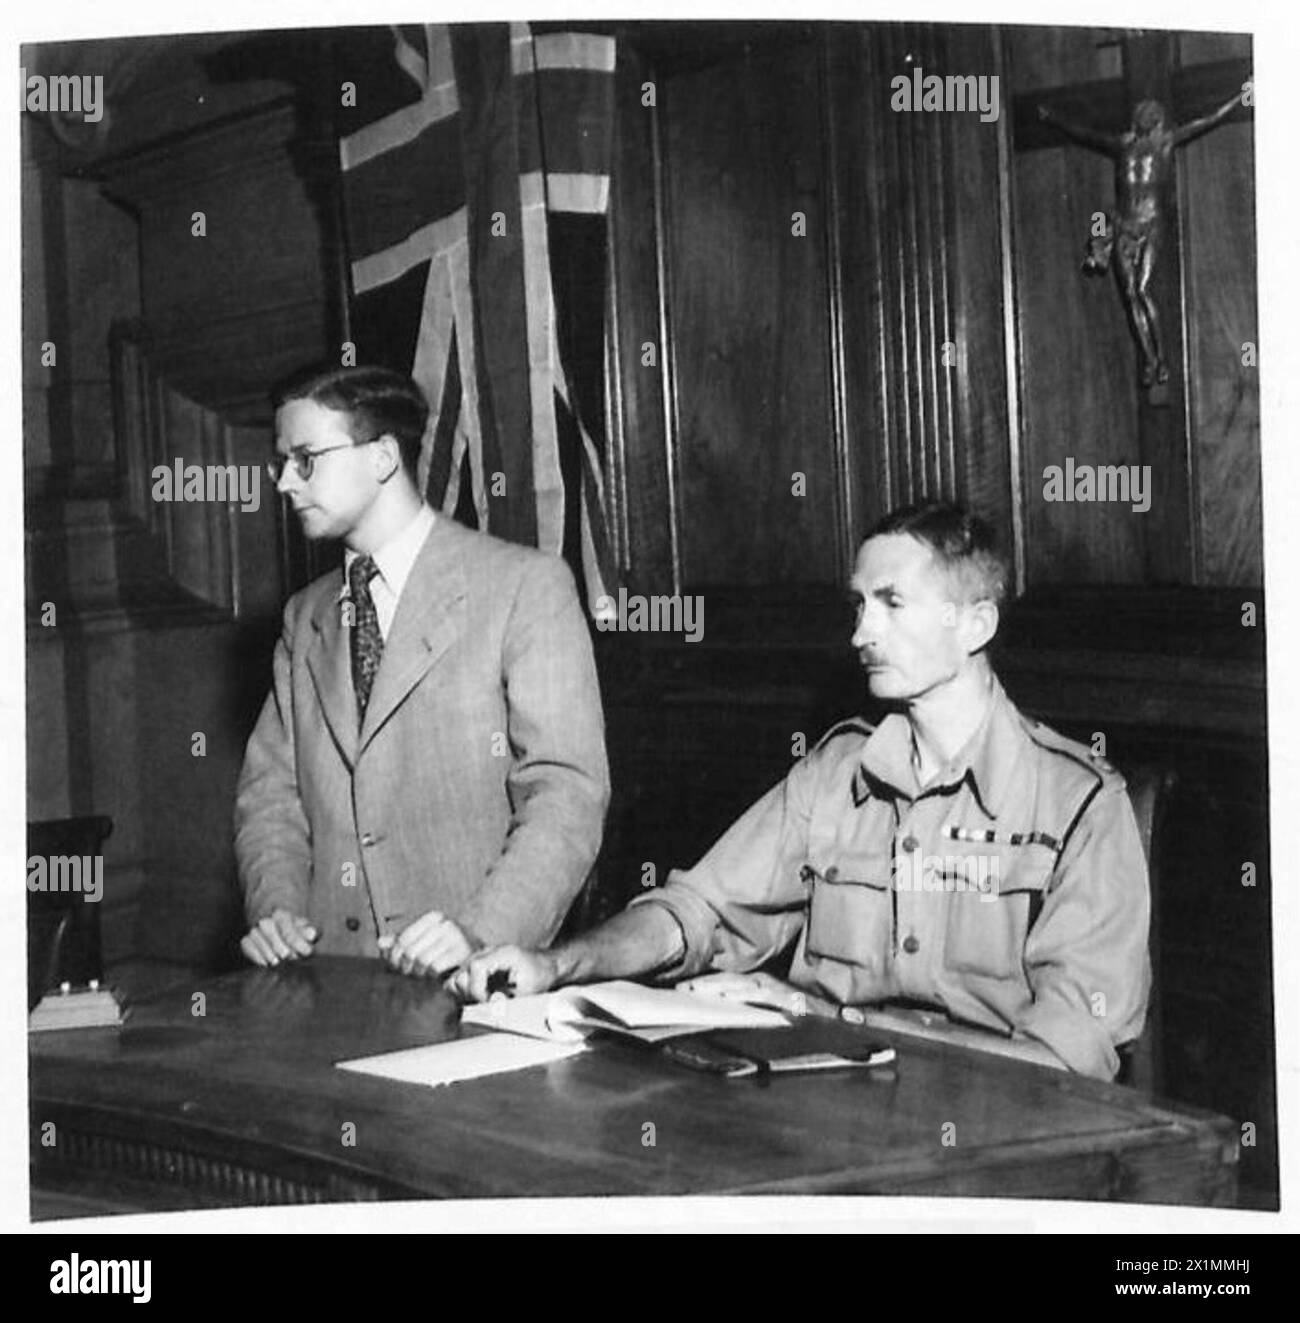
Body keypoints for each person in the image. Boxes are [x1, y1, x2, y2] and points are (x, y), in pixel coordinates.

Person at [455, 502, 1150, 1080]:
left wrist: (823, 1016)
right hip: (832, 1107)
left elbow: (1066, 1064)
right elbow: (697, 911)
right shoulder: (836, 772)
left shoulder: (1078, 802)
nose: (860, 631)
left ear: (976, 624)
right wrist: (556, 962)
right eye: (859, 603)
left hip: (1005, 1127)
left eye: (891, 603)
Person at [235, 365, 609, 979]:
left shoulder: (524, 587)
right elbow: (270, 796)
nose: (284, 483)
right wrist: (277, 908)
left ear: (383, 457)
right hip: (330, 990)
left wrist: (482, 934)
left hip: (473, 988)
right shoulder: (305, 617)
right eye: (280, 463)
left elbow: (566, 794)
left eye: (304, 459)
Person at [1037, 86, 1248, 387]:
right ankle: (1150, 360)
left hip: (1150, 224)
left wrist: (1240, 98)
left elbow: (1209, 118)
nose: (1146, 119)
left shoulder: (1165, 143)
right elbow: (1085, 134)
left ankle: (1160, 357)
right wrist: (1054, 119)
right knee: (1131, 294)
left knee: (1143, 289)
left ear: (1158, 119)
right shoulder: (1123, 144)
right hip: (1124, 224)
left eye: (1151, 116)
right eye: (1142, 115)